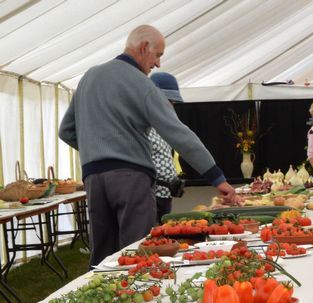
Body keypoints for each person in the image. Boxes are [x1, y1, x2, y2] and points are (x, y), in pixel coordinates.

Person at [59, 24, 239, 267]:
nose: (158, 64)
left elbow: (66, 131)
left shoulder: (90, 76)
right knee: (137, 251)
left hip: (93, 178)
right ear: (143, 48)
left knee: (102, 256)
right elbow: (178, 133)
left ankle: (98, 302)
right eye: (158, 55)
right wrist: (217, 178)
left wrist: (98, 151)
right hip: (131, 180)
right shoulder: (142, 84)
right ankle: (137, 300)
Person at [149, 71, 182, 223]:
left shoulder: (161, 125)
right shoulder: (141, 124)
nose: (172, 106)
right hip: (150, 195)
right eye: (170, 101)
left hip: (165, 193)